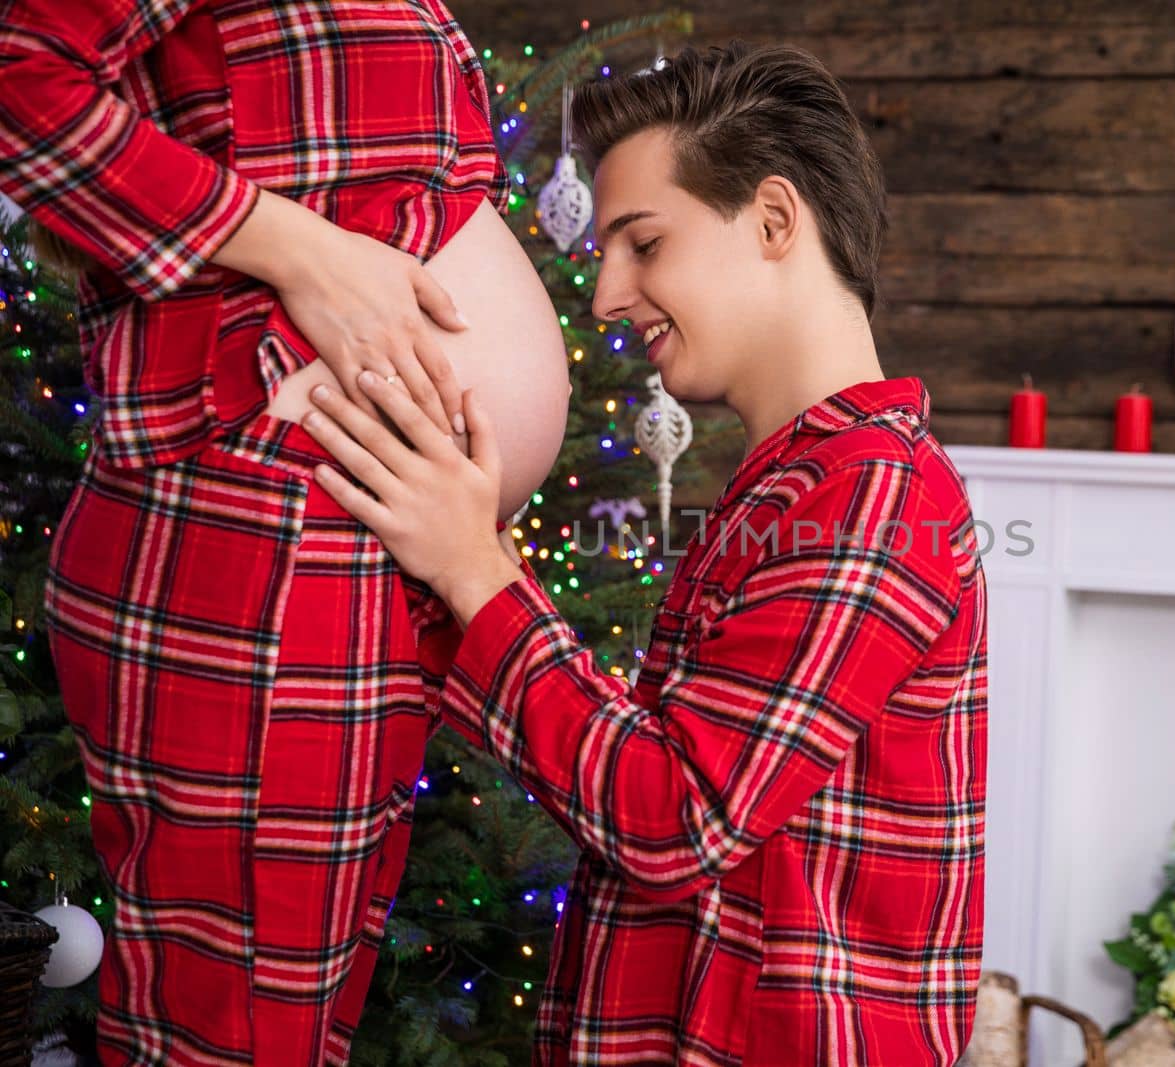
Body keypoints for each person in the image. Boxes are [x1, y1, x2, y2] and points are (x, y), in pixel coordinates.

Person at [301, 41, 989, 1065]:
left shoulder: (873, 495)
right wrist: (458, 563)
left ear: (772, 220)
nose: (606, 298)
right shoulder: (791, 488)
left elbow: (674, 817)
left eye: (644, 243)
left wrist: (477, 572)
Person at [0, 1, 564, 1062]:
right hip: (252, 533)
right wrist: (302, 252)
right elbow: (21, 71)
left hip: (341, 536)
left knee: (283, 1023)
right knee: (233, 1031)